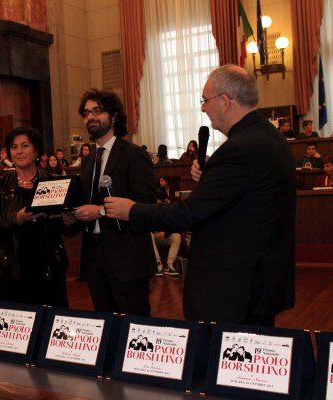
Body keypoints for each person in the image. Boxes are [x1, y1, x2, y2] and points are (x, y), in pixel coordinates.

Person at [104, 65, 296, 326]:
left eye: (205, 100)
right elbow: (243, 199)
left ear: (225, 101)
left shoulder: (240, 149)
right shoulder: (267, 137)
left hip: (234, 286)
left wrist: (131, 210)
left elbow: (190, 213)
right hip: (258, 278)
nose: (203, 108)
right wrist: (210, 179)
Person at [72, 88, 157, 316]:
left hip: (128, 257)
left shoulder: (134, 154)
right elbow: (85, 204)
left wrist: (100, 211)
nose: (90, 117)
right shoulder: (88, 161)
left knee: (134, 324)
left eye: (97, 111)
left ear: (114, 116)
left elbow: (146, 204)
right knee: (105, 323)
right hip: (94, 257)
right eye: (86, 113)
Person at [0, 127, 74, 307]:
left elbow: (69, 229)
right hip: (10, 270)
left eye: (25, 146)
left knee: (48, 321)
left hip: (49, 270)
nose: (19, 151)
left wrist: (68, 219)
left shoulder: (54, 182)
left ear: (37, 150)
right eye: (14, 147)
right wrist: (17, 218)